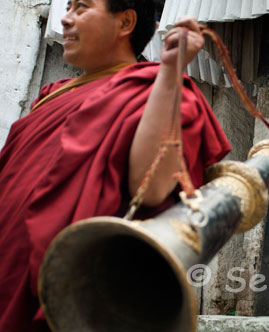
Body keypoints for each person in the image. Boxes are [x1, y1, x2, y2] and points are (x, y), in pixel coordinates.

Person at [0, 1, 231, 331]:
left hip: (69, 290)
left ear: (125, 22)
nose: (66, 20)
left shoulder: (158, 90)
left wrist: (169, 71)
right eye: (67, 8)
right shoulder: (51, 95)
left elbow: (149, 188)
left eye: (81, 8)